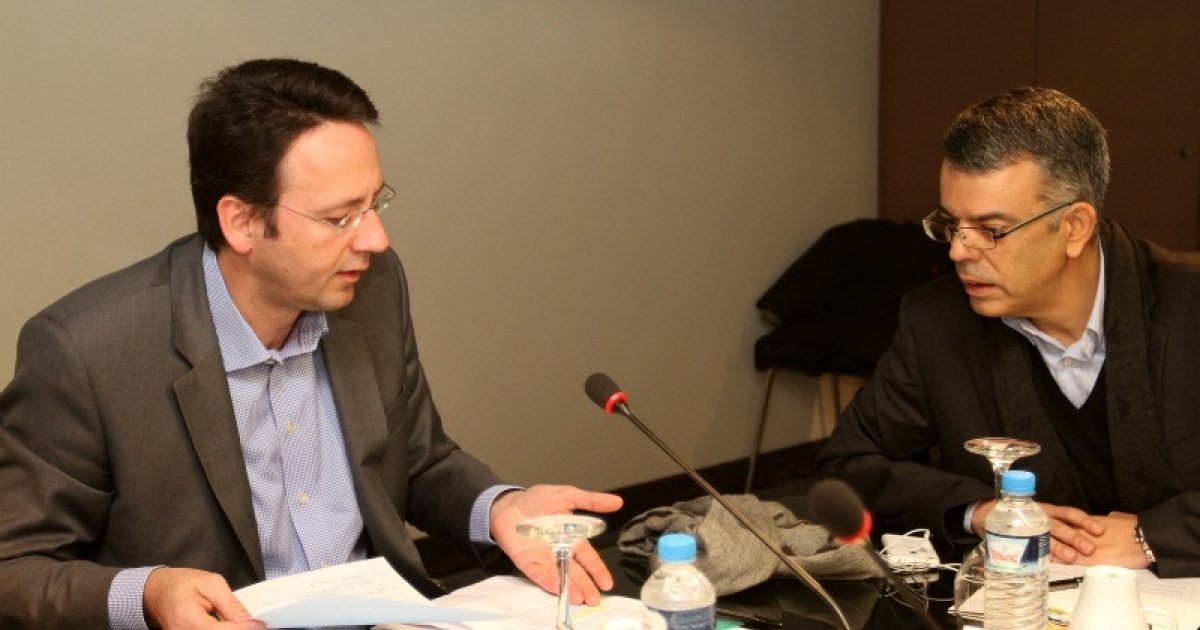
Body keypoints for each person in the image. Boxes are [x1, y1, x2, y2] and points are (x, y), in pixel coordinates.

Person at [0, 58, 622, 629]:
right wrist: (151, 594)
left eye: (374, 204)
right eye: (339, 217)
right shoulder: (87, 351)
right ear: (242, 222)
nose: (374, 240)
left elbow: (418, 462)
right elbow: (14, 567)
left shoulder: (372, 288)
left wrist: (500, 509)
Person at [816, 86, 1200, 578]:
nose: (958, 251)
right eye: (951, 224)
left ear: (1075, 227)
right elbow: (846, 466)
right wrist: (978, 512)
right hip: (1022, 598)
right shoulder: (938, 322)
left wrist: (1153, 536)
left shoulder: (1187, 306)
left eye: (991, 230)